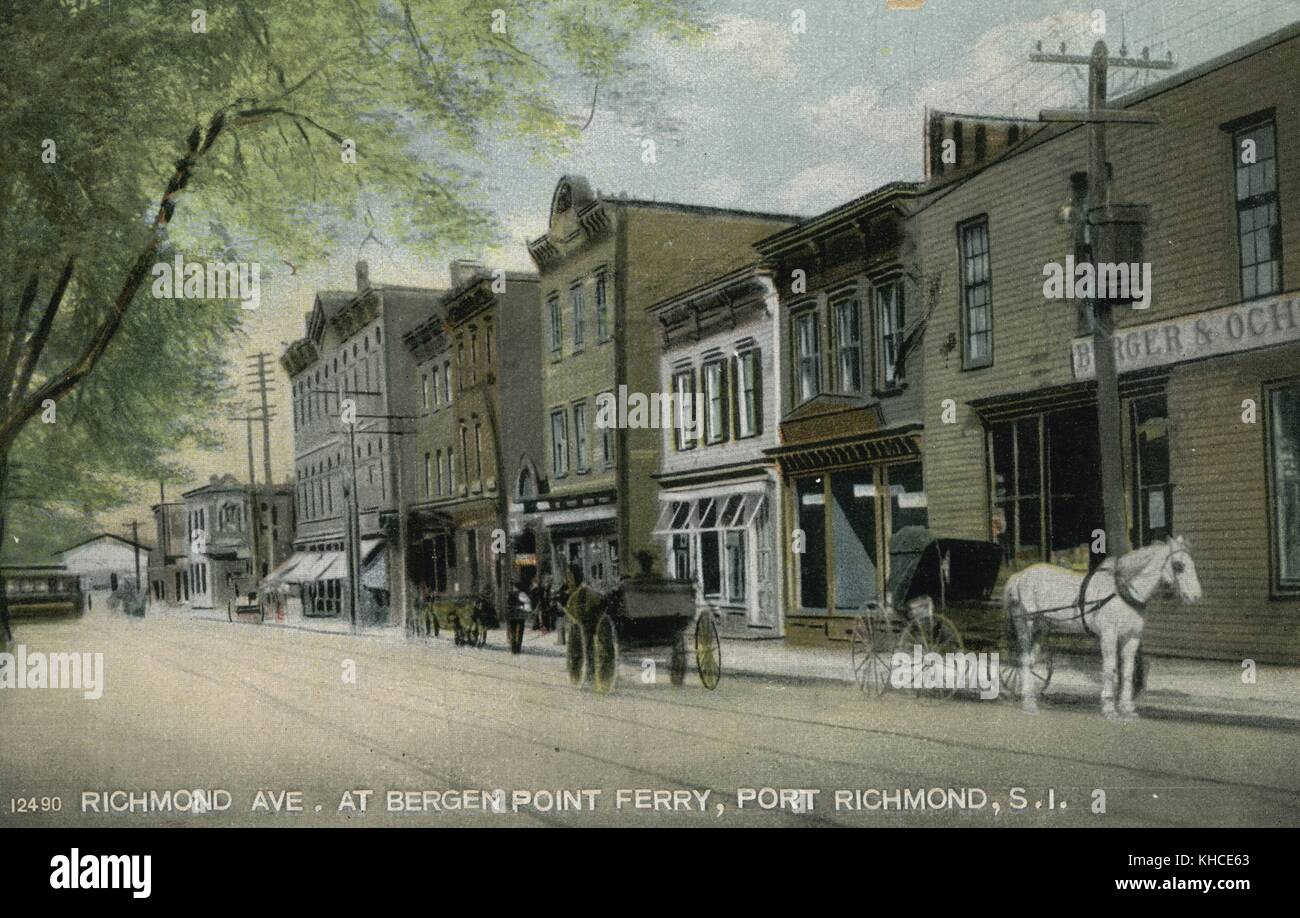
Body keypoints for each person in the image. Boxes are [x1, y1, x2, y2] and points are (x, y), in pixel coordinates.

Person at [563, 563, 604, 682]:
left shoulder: (583, 590)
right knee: (578, 649)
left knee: (586, 648)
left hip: (585, 623)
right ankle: (579, 675)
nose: (568, 579)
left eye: (570, 576)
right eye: (567, 576)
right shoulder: (571, 590)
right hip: (577, 624)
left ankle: (588, 674)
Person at [506, 570, 535, 654]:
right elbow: (527, 602)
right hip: (519, 614)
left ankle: (513, 647)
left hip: (511, 614)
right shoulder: (521, 594)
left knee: (513, 630)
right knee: (519, 631)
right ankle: (517, 647)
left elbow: (508, 604)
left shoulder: (509, 594)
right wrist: (528, 610)